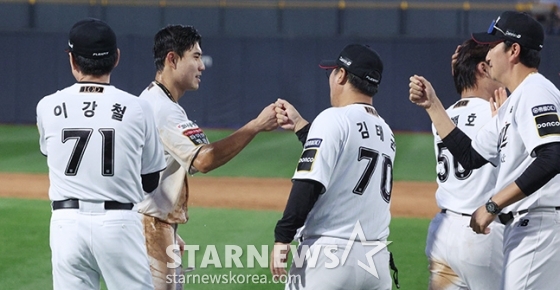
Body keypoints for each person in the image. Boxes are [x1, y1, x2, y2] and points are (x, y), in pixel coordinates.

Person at [409, 11, 560, 290]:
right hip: (522, 226)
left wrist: (493, 204)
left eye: (493, 45)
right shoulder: (511, 105)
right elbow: (470, 156)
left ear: (513, 50)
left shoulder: (535, 91)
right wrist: (433, 105)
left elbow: (553, 155)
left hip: (540, 224)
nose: (487, 54)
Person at [135, 24, 278, 290]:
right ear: (172, 59)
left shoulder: (154, 101)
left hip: (151, 223)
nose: (202, 66)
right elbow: (204, 160)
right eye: (196, 57)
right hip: (148, 226)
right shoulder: (163, 109)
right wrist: (255, 125)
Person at [36, 18, 166, 290]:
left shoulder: (47, 106)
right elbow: (151, 181)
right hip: (119, 224)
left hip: (66, 225)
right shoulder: (139, 107)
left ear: (72, 60)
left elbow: (53, 156)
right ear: (116, 58)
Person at [270, 44, 397, 289]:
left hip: (329, 258)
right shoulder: (386, 132)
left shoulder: (332, 118)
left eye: (332, 71)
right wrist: (301, 125)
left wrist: (282, 237)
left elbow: (309, 182)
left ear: (341, 75)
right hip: (376, 261)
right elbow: (344, 158)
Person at [424, 39, 505, 290]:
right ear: (483, 68)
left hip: (443, 232)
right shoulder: (500, 114)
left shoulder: (444, 115)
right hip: (484, 232)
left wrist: (461, 69)